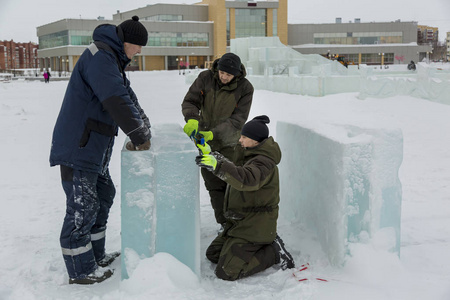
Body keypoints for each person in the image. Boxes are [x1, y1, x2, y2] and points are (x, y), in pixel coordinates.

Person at [49, 15, 151, 285]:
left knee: (104, 195)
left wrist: (144, 125)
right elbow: (116, 99)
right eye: (138, 47)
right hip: (79, 147)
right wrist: (138, 134)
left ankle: (95, 255)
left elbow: (128, 96)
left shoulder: (112, 60)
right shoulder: (100, 57)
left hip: (94, 147)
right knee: (83, 207)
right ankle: (81, 269)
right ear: (127, 42)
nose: (139, 52)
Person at [195, 115, 295, 281]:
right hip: (240, 223)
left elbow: (246, 178)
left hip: (254, 225)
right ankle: (259, 245)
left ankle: (273, 252)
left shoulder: (264, 163)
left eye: (244, 137)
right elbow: (234, 168)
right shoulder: (249, 153)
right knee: (213, 254)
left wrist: (217, 166)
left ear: (255, 140)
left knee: (226, 272)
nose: (240, 140)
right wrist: (210, 153)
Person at [181, 52, 254, 226]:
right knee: (214, 186)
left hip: (230, 144)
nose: (224, 77)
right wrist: (192, 118)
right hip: (204, 143)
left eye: (228, 75)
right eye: (222, 73)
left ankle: (239, 223)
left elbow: (238, 120)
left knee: (232, 183)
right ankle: (224, 224)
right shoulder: (205, 78)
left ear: (236, 74)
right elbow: (190, 101)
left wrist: (214, 133)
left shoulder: (245, 88)